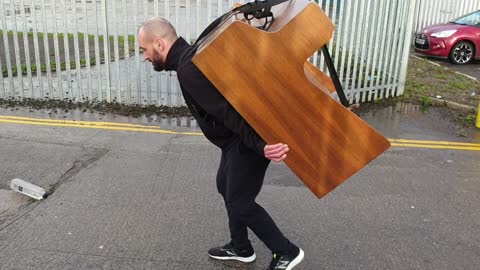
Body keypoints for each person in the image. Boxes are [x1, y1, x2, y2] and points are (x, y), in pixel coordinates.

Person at [138, 17, 304, 270]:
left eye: (145, 50)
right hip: (233, 142)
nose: (145, 57)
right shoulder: (192, 56)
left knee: (240, 201)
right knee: (225, 186)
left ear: (159, 43)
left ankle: (286, 252)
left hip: (244, 141)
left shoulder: (188, 69)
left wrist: (260, 145)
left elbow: (229, 113)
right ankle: (241, 247)